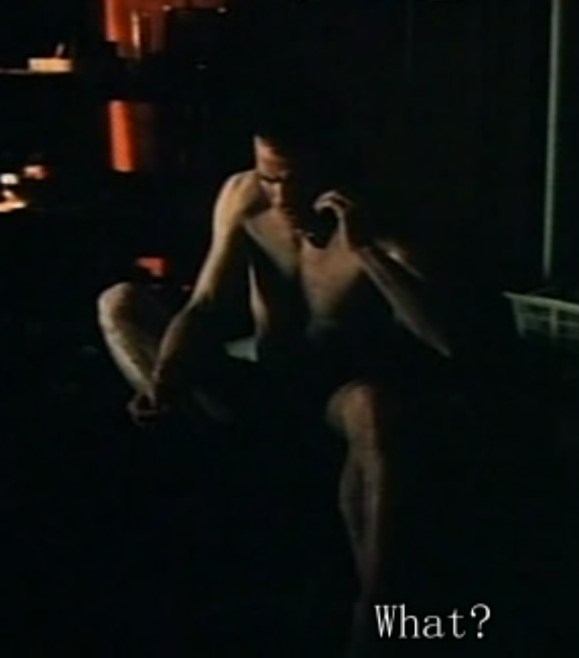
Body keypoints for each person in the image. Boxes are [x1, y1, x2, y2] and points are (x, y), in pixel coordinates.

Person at [96, 92, 487, 650]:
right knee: (120, 304)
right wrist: (164, 380)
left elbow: (449, 341)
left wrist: (366, 250)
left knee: (374, 407)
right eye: (271, 178)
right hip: (264, 383)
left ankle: (378, 609)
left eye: (297, 181)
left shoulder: (381, 218)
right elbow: (204, 305)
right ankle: (198, 446)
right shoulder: (244, 197)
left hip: (336, 395)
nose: (282, 197)